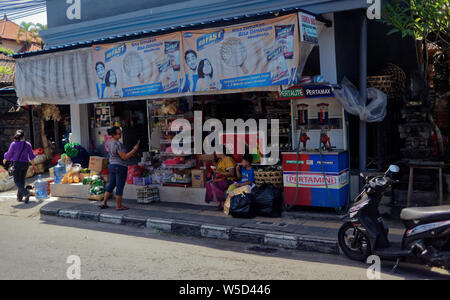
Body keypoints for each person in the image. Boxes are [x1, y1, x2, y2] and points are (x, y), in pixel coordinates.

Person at [99, 126, 139, 211]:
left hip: (112, 165)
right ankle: (119, 205)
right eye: (118, 133)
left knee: (111, 184)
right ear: (114, 135)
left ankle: (104, 202)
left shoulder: (109, 142)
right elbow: (124, 157)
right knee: (119, 186)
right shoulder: (117, 144)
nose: (120, 135)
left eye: (120, 133)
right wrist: (134, 150)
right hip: (119, 166)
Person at [3, 130, 36, 203]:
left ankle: (26, 193)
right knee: (22, 180)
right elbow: (31, 156)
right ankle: (19, 197)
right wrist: (33, 165)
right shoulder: (28, 144)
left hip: (17, 164)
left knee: (17, 181)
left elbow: (9, 154)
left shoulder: (13, 144)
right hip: (25, 164)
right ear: (23, 136)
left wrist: (5, 159)